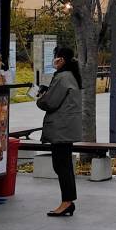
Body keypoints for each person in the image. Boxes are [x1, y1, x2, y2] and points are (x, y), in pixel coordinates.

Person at [36, 46, 83, 216]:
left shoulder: (63, 77)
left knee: (61, 165)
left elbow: (50, 102)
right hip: (67, 127)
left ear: (60, 59)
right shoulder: (71, 76)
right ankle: (68, 201)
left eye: (55, 57)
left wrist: (40, 99)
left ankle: (67, 201)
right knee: (65, 165)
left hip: (61, 128)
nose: (53, 60)